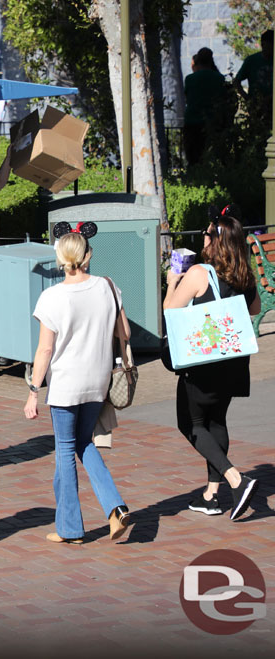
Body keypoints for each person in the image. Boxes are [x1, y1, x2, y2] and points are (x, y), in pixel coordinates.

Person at [24, 232, 132, 544]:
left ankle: (70, 528)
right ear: (88, 255)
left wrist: (33, 391)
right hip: (98, 380)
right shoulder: (108, 286)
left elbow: (45, 350)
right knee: (84, 442)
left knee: (65, 451)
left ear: (60, 259)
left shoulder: (52, 297)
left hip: (66, 385)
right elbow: (123, 331)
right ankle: (115, 507)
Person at [163, 215, 261, 520]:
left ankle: (236, 480)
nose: (203, 240)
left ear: (216, 240)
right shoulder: (245, 273)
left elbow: (170, 312)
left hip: (203, 361)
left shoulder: (198, 274)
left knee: (191, 425)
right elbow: (255, 308)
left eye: (207, 235)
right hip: (233, 360)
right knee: (216, 422)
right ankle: (212, 496)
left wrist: (171, 283)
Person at [183, 48, 226, 166]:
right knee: (212, 158)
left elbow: (187, 97)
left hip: (192, 121)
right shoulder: (219, 78)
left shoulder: (190, 79)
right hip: (212, 121)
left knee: (193, 158)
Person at [233, 29, 273, 99]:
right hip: (256, 105)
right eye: (271, 45)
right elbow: (236, 82)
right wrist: (247, 98)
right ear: (263, 44)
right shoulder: (251, 61)